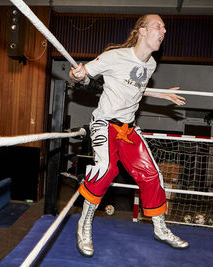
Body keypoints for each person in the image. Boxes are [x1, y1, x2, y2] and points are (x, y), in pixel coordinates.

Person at [69, 14, 189, 257]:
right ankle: (84, 223)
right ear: (142, 31)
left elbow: (135, 87)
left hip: (128, 129)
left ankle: (160, 228)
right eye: (158, 26)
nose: (163, 30)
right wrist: (77, 75)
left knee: (152, 174)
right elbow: (82, 74)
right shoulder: (115, 56)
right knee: (106, 169)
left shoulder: (151, 64)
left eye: (165, 27)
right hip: (104, 123)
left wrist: (161, 95)